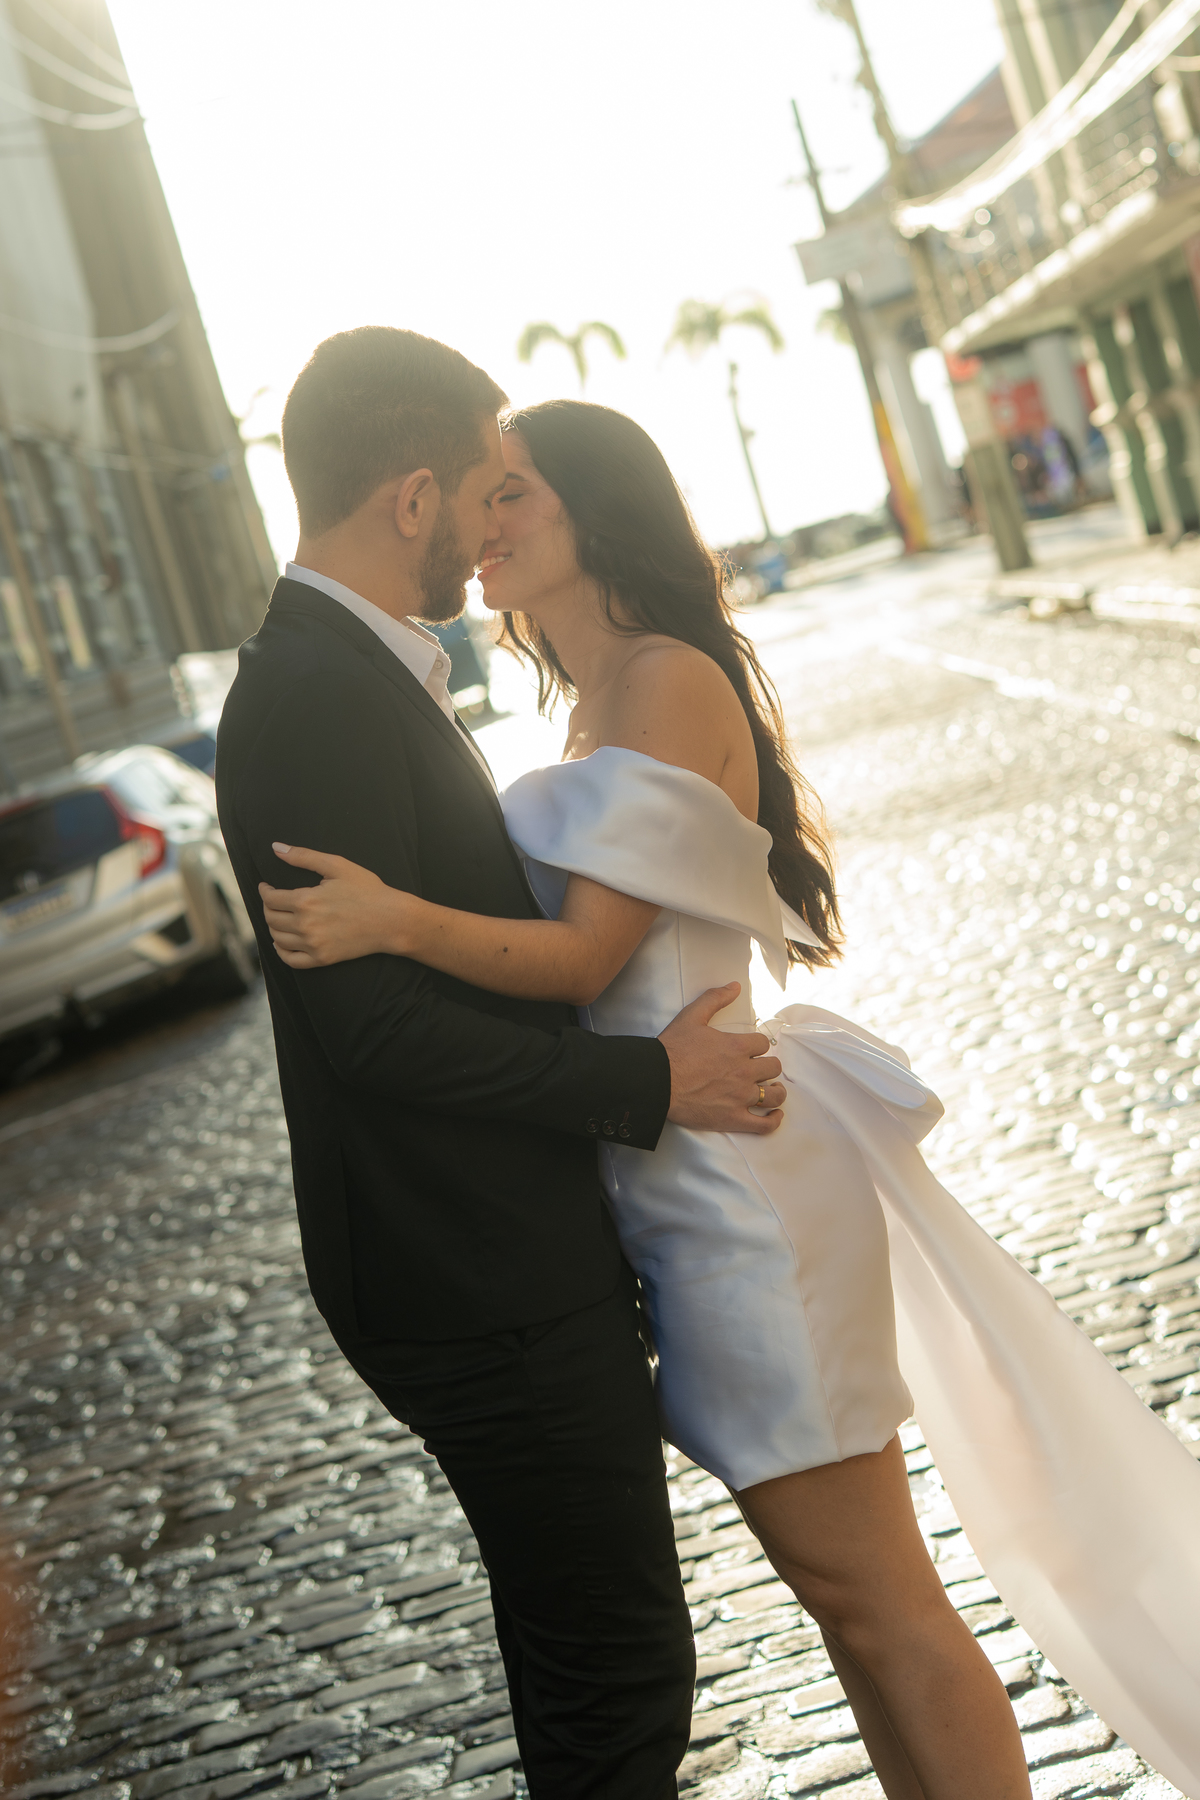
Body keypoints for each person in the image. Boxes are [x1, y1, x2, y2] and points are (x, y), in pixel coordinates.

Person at [261, 398, 1200, 1800]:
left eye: (515, 493)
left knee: (879, 1599)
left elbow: (586, 960)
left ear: (596, 514)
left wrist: (395, 920)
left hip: (740, 1195)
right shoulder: (587, 701)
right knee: (849, 1610)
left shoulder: (664, 681)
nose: (485, 520)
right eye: (483, 493)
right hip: (680, 1186)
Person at [215, 331, 792, 1800]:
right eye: (481, 491)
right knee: (619, 1677)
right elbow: (374, 1030)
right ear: (411, 497)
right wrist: (647, 1089)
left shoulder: (354, 669)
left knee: (588, 1662)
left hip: (497, 1256)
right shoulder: (316, 692)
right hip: (477, 1275)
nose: (487, 527)